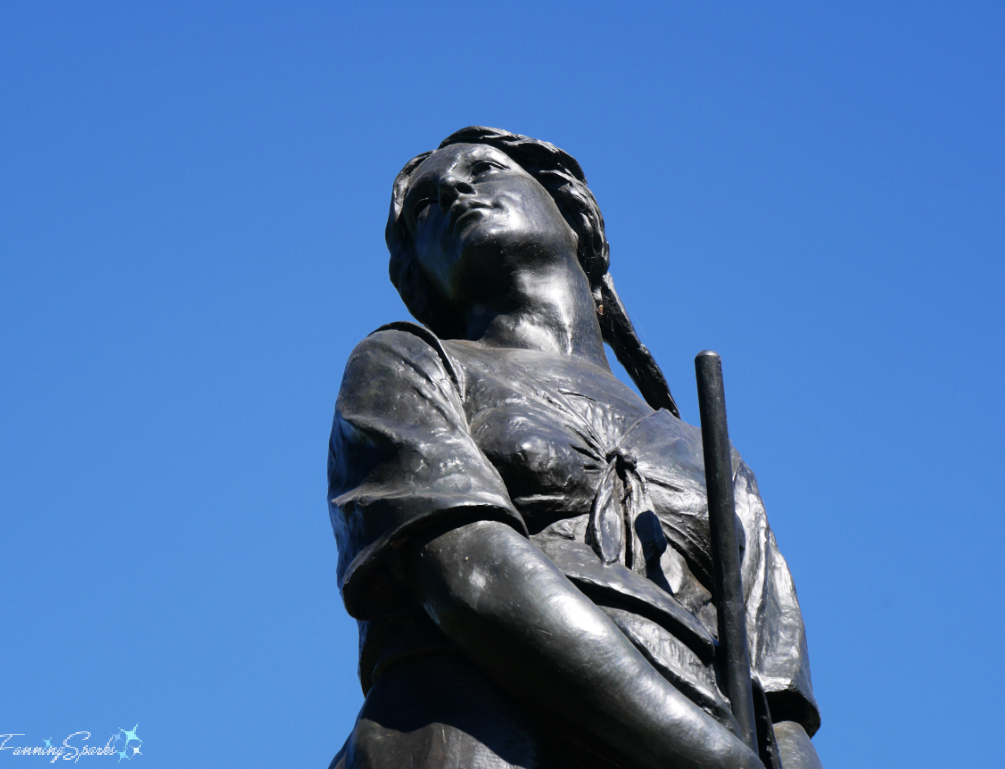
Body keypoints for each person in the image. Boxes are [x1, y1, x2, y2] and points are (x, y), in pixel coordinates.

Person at [327, 127, 823, 769]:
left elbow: (778, 706)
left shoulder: (713, 457)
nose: (453, 188)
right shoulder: (403, 364)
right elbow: (471, 574)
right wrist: (708, 757)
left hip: (707, 725)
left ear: (573, 216)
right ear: (420, 276)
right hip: (485, 722)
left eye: (483, 169)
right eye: (424, 207)